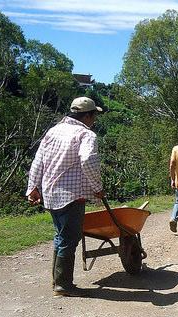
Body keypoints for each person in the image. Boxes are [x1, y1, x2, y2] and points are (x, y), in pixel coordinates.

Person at [26, 96, 104, 296]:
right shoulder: (86, 135)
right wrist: (97, 187)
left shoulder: (54, 131)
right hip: (71, 195)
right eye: (94, 116)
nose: (94, 120)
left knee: (60, 236)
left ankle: (58, 281)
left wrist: (33, 187)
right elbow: (88, 160)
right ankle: (63, 284)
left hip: (50, 194)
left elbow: (38, 161)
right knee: (69, 238)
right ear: (87, 116)